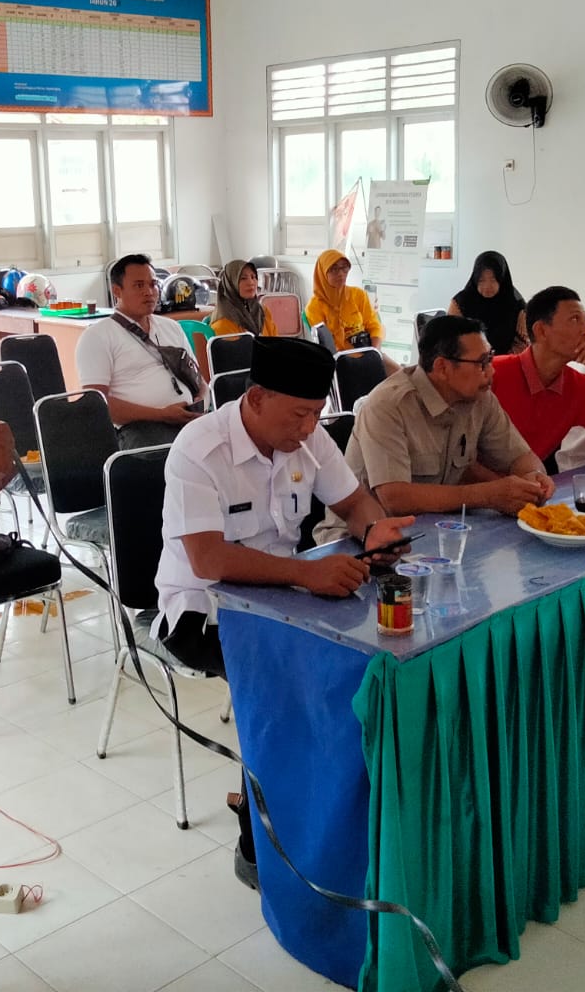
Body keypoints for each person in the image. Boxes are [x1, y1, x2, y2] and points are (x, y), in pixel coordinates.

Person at [156, 335, 413, 890]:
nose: (306, 429)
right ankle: (261, 843)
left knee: (370, 661)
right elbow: (207, 559)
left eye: (315, 415)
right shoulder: (198, 451)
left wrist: (374, 530)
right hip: (203, 610)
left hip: (286, 598)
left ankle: (344, 826)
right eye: (298, 415)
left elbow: (352, 502)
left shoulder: (308, 437)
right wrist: (304, 573)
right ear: (255, 397)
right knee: (292, 688)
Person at [313, 316, 552, 545]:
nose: (491, 372)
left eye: (489, 359)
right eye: (481, 363)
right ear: (442, 367)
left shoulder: (480, 399)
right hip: (363, 539)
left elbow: (519, 456)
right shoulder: (389, 405)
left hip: (435, 530)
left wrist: (534, 477)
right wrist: (488, 495)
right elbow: (395, 498)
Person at [489, 285, 585, 468]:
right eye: (575, 319)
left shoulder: (579, 386)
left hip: (527, 485)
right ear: (541, 331)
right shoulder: (493, 372)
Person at [77, 254, 204, 449]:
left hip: (188, 419)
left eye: (153, 284)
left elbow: (199, 379)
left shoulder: (171, 327)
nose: (149, 292)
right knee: (177, 453)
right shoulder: (97, 336)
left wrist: (200, 404)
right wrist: (162, 414)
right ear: (117, 290)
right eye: (138, 285)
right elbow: (96, 403)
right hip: (141, 428)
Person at [449, 251, 527, 354]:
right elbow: (451, 340)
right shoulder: (460, 303)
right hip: (470, 361)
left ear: (502, 280)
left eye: (493, 280)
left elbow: (523, 343)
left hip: (505, 360)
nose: (487, 286)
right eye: (481, 280)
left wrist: (502, 360)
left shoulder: (515, 304)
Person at [305, 249, 383, 352]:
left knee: (392, 364)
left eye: (344, 268)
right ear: (322, 273)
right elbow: (326, 344)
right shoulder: (314, 307)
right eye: (334, 269)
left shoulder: (358, 295)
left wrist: (374, 351)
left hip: (366, 349)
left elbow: (374, 326)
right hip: (340, 358)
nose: (341, 274)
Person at [208, 260, 277, 337]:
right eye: (243, 278)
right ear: (231, 283)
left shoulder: (263, 312)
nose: (251, 282)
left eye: (253, 277)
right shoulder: (222, 323)